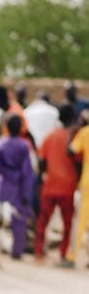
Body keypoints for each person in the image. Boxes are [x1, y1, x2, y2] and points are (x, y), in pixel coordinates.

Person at [34, 104, 78, 266]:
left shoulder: (50, 136)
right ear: (73, 119)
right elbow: (78, 160)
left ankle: (38, 251)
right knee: (67, 224)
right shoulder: (74, 138)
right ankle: (63, 254)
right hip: (68, 187)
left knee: (43, 220)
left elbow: (41, 160)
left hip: (50, 185)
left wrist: (41, 176)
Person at [0, 112, 35, 260]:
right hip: (18, 187)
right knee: (19, 220)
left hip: (3, 185)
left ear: (6, 127)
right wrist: (26, 194)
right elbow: (27, 171)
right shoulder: (24, 146)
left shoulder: (0, 144)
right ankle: (16, 251)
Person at [68, 111, 89, 263]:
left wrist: (71, 131)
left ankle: (72, 256)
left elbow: (71, 150)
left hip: (87, 182)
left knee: (81, 220)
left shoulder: (84, 132)